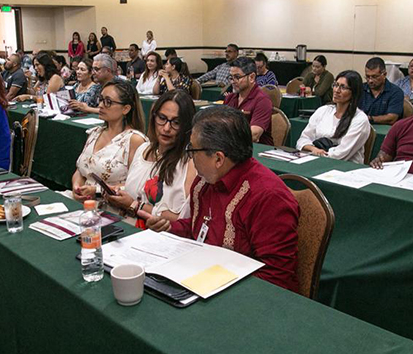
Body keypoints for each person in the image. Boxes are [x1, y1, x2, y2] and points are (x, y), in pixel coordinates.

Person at [139, 105, 300, 292]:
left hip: (242, 295)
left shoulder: (269, 197)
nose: (190, 157)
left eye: (192, 150)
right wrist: (170, 228)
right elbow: (200, 228)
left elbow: (277, 277)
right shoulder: (205, 181)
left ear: (218, 159)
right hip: (200, 277)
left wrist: (213, 282)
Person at [107, 89, 197, 225]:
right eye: (162, 118)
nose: (166, 128)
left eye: (176, 122)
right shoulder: (143, 149)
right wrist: (119, 192)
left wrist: (135, 205)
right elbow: (138, 190)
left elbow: (183, 220)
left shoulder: (191, 163)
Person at [72, 79, 146, 201]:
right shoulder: (95, 133)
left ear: (125, 109)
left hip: (111, 206)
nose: (100, 105)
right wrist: (77, 187)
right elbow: (81, 171)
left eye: (108, 102)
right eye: (101, 99)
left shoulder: (134, 140)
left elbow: (137, 185)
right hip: (84, 202)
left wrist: (97, 191)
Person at [297, 70, 371, 163]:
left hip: (344, 167)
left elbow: (341, 153)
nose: (337, 90)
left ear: (354, 92)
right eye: (335, 85)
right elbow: (303, 139)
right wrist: (313, 149)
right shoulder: (323, 111)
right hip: (317, 159)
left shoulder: (360, 119)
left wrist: (321, 154)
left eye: (343, 87)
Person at [223, 57, 273, 145]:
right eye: (231, 77)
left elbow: (254, 135)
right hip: (233, 146)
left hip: (256, 149)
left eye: (237, 77)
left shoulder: (263, 100)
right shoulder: (230, 98)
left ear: (251, 77)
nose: (233, 82)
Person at [359, 57, 404, 125]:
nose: (370, 81)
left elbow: (392, 118)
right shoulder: (360, 89)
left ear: (384, 74)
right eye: (367, 77)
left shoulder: (395, 92)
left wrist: (369, 119)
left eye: (374, 77)